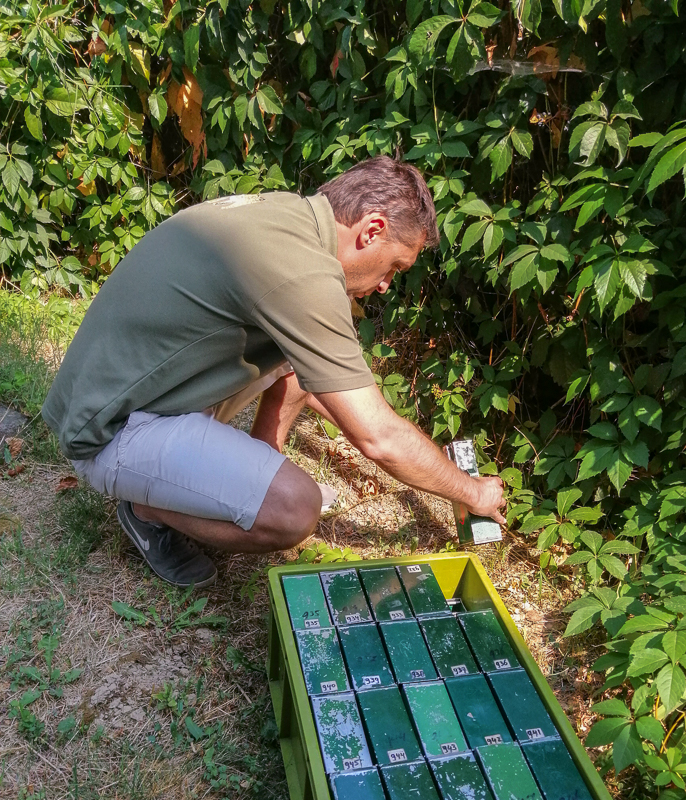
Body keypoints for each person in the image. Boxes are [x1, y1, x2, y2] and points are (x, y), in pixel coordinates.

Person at [42, 156, 506, 588]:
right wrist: (470, 490)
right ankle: (148, 510)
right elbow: (377, 437)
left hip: (134, 392)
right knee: (294, 509)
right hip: (107, 431)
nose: (386, 284)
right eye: (394, 266)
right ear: (372, 231)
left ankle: (249, 468)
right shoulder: (301, 272)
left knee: (298, 362)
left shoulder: (288, 218)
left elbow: (326, 388)